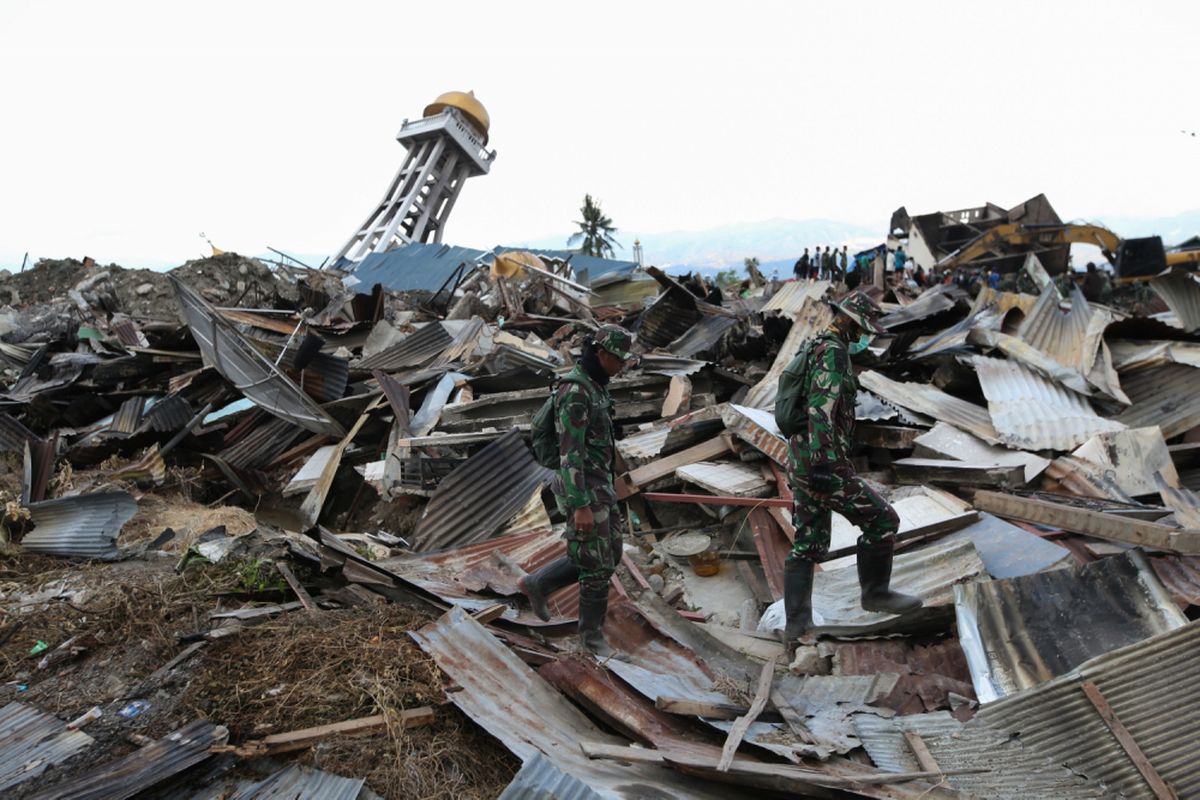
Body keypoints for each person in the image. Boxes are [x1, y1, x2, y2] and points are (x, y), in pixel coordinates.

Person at [774, 293, 921, 653]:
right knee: (883, 520)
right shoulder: (834, 352)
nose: (866, 338)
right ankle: (875, 593)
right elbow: (821, 410)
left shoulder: (815, 346)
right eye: (865, 330)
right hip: (821, 462)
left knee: (808, 543)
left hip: (803, 459)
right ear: (855, 324)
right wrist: (826, 464)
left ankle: (796, 626)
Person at [519, 325, 634, 657]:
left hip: (600, 482)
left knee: (608, 553)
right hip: (582, 485)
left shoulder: (597, 385)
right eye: (619, 359)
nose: (622, 366)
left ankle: (537, 583)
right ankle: (591, 639)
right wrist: (580, 505)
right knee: (596, 563)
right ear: (601, 354)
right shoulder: (576, 392)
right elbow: (570, 455)